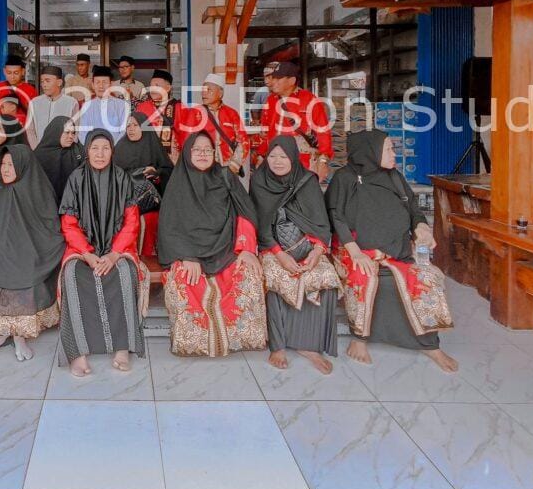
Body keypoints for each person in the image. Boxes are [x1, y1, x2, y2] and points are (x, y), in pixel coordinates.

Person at [326, 130, 457, 372]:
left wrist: (421, 228)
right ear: (371, 152)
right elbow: (336, 216)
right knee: (363, 276)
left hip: (397, 249)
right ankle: (359, 338)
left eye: (393, 149)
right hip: (354, 250)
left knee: (426, 278)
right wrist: (355, 252)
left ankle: (429, 343)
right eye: (388, 149)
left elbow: (414, 209)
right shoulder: (345, 178)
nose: (394, 154)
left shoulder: (394, 177)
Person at [158, 132, 267, 357]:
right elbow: (169, 227)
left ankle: (238, 339)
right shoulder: (178, 183)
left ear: (214, 153)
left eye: (207, 149)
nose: (202, 154)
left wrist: (246, 249)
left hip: (225, 250)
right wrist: (187, 256)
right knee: (182, 280)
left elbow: (246, 213)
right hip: (188, 253)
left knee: (248, 274)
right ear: (187, 153)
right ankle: (196, 344)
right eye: (196, 149)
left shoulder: (225, 176)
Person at [59, 130, 148, 376]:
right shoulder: (76, 178)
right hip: (82, 249)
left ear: (112, 151)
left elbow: (132, 222)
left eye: (105, 148)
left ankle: (122, 347)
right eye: (95, 148)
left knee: (125, 274)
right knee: (73, 275)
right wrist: (87, 254)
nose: (100, 154)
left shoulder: (122, 178)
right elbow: (68, 223)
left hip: (117, 248)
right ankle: (77, 352)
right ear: (87, 151)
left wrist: (114, 254)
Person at [250, 136, 340, 374]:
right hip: (272, 246)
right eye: (272, 156)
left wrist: (317, 252)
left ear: (293, 157)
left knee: (325, 276)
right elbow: (260, 223)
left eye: (283, 156)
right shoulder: (259, 180)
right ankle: (278, 346)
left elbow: (321, 221)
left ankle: (310, 345)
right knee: (275, 276)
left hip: (308, 244)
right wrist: (279, 255)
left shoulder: (307, 180)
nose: (277, 161)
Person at [0, 145, 64, 360]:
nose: (5, 169)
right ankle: (0, 334)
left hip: (31, 250)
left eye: (11, 165)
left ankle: (19, 335)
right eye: (3, 164)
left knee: (23, 274)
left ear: (23, 166)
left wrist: (29, 250)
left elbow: (48, 226)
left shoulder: (37, 189)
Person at [258, 62, 332, 182]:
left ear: (292, 80)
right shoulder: (270, 100)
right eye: (273, 78)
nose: (273, 82)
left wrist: (323, 161)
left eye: (278, 78)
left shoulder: (309, 100)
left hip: (303, 162)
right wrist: (261, 155)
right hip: (274, 162)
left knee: (303, 192)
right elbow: (265, 131)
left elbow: (323, 132)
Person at [112, 111, 173, 256]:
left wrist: (156, 173)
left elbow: (169, 172)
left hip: (150, 202)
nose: (131, 129)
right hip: (124, 201)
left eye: (135, 125)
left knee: (150, 221)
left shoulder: (153, 145)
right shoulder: (120, 147)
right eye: (128, 126)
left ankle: (146, 257)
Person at [177, 73, 249, 176]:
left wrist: (234, 165)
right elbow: (185, 142)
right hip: (203, 170)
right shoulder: (195, 113)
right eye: (203, 90)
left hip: (228, 168)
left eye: (209, 90)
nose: (204, 93)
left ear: (220, 93)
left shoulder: (231, 113)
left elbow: (243, 141)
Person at [33, 115, 84, 202]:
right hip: (45, 202)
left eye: (73, 133)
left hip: (72, 202)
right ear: (56, 132)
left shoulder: (78, 150)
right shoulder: (39, 155)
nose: (71, 136)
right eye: (67, 132)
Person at [136, 69, 182, 162]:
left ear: (168, 88)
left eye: (157, 86)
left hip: (173, 158)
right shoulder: (142, 107)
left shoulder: (178, 107)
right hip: (147, 156)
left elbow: (185, 135)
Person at [26, 65, 79, 147]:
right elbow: (30, 130)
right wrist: (36, 149)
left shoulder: (71, 103)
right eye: (42, 81)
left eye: (47, 81)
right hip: (39, 150)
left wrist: (68, 149)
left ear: (59, 82)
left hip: (63, 151)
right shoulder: (34, 103)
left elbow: (77, 130)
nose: (44, 85)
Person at [77, 65, 130, 141]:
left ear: (111, 84)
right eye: (97, 82)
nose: (101, 86)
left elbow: (124, 131)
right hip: (92, 147)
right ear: (93, 85)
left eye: (104, 82)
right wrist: (92, 147)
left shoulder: (121, 105)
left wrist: (111, 146)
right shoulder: (87, 106)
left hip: (116, 147)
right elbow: (82, 133)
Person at [0, 55, 38, 129]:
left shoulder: (30, 90)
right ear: (4, 71)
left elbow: (34, 114)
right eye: (9, 73)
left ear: (23, 71)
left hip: (23, 129)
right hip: (1, 128)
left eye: (16, 73)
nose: (12, 77)